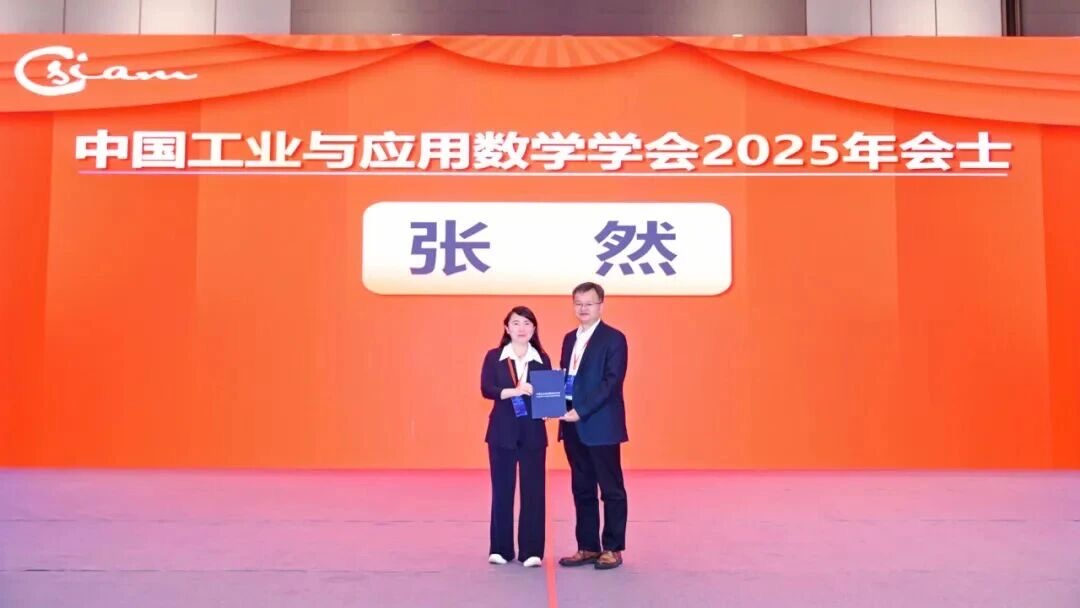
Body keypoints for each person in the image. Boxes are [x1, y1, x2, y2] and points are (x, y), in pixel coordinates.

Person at [558, 282, 630, 570]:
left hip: (600, 425)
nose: (583, 308)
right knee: (582, 487)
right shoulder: (568, 338)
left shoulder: (614, 339)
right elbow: (566, 378)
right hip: (572, 425)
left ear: (601, 304)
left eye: (589, 303)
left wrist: (581, 411)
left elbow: (611, 383)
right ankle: (587, 546)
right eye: (578, 303)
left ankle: (613, 547)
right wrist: (554, 405)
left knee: (611, 489)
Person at [479, 306, 552, 567]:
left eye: (527, 323)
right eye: (516, 323)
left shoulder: (542, 358)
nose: (522, 328)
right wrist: (516, 390)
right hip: (502, 431)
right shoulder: (494, 356)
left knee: (534, 491)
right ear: (507, 328)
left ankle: (532, 551)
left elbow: (548, 396)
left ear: (534, 329)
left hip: (533, 432)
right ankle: (501, 549)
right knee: (502, 489)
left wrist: (549, 407)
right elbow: (487, 388)